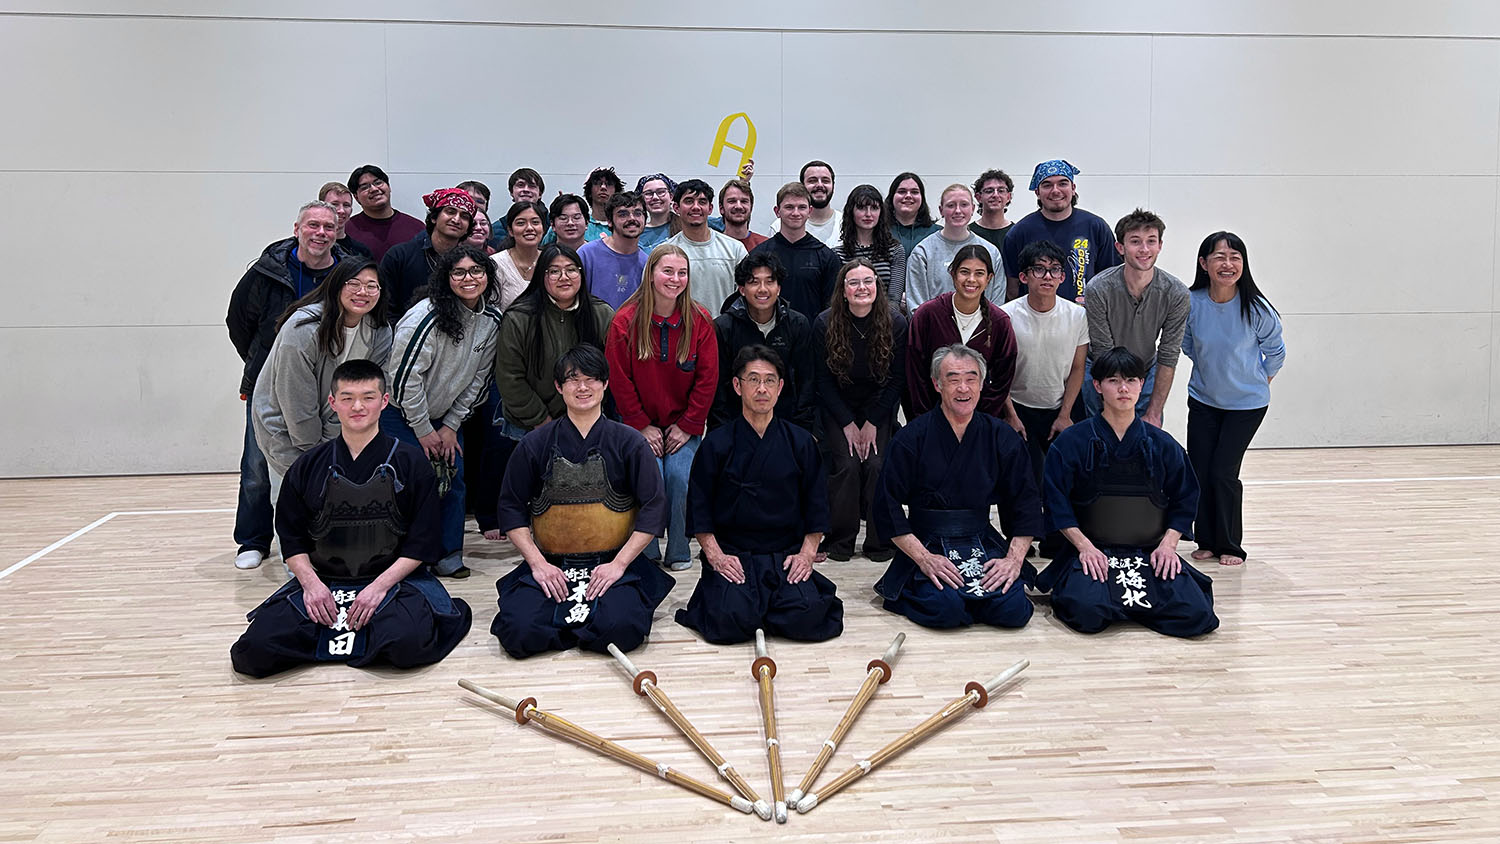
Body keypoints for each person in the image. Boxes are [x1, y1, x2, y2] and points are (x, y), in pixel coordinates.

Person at [230, 359, 472, 677]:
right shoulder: (307, 465)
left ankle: (351, 634)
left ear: (384, 402)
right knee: (252, 653)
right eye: (347, 398)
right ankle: (356, 637)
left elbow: (422, 542)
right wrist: (311, 586)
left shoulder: (412, 462)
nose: (358, 406)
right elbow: (291, 537)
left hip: (394, 583)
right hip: (326, 583)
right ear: (333, 403)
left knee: (408, 645)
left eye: (368, 397)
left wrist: (378, 588)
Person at [490, 345, 675, 658]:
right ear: (559, 387)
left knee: (621, 628)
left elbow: (654, 507)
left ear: (605, 384)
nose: (583, 387)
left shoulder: (629, 442)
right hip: (552, 563)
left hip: (613, 562)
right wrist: (537, 564)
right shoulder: (534, 444)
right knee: (519, 631)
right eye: (573, 380)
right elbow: (510, 508)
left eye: (591, 379)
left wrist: (619, 565)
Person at [1036, 347, 1219, 637]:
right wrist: (1084, 547)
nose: (1124, 388)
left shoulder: (1162, 444)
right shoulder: (1072, 442)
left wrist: (1168, 545)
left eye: (1132, 380)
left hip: (1149, 551)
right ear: (1097, 386)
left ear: (1142, 384)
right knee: (1086, 613)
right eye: (1113, 381)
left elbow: (1185, 497)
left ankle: (1127, 605)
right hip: (1094, 550)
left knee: (1196, 615)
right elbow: (1056, 502)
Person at [677, 346, 843, 644]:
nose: (762, 389)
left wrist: (806, 555)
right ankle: (756, 606)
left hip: (785, 555)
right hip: (735, 554)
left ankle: (766, 606)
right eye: (753, 380)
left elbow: (817, 505)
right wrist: (717, 557)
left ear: (780, 387)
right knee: (728, 620)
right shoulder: (716, 444)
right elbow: (699, 511)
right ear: (738, 386)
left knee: (808, 615)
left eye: (769, 380)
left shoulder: (801, 442)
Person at [872, 344, 1041, 629]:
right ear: (937, 384)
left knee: (1015, 611)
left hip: (980, 539)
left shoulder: (1000, 436)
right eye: (953, 379)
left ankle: (974, 602)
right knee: (945, 611)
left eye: (971, 379)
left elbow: (1025, 501)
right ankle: (950, 598)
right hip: (928, 541)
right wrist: (924, 559)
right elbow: (886, 506)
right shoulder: (912, 437)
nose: (963, 388)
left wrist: (1012, 561)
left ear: (982, 384)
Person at [226, 200, 352, 570]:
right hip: (266, 384)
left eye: (328, 227)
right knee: (256, 467)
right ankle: (252, 539)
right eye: (313, 226)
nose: (321, 234)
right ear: (297, 229)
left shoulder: (345, 273)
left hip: (323, 386)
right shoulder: (268, 272)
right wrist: (264, 363)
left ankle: (305, 541)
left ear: (337, 232)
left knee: (320, 463)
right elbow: (239, 322)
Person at [382, 244, 502, 578]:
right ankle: (407, 557)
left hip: (448, 417)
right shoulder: (425, 317)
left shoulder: (491, 319)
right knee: (411, 481)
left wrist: (451, 424)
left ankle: (449, 553)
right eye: (459, 272)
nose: (469, 278)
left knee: (453, 478)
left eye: (477, 271)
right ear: (446, 278)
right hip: (402, 412)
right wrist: (422, 429)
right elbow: (404, 379)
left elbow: (480, 377)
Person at [605, 244, 719, 572]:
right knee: (651, 476)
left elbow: (707, 379)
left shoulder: (699, 319)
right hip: (637, 426)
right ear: (651, 274)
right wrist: (640, 425)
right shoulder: (625, 321)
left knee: (680, 478)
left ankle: (680, 547)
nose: (675, 279)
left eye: (682, 273)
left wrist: (688, 424)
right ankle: (648, 546)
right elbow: (619, 379)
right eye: (668, 271)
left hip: (684, 425)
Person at [252, 257, 393, 514]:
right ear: (337, 285)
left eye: (372, 286)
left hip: (338, 431)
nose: (363, 292)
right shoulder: (303, 329)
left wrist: (337, 443)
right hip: (285, 427)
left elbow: (368, 391)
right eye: (354, 284)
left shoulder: (379, 331)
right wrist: (320, 455)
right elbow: (295, 402)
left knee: (336, 511)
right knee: (294, 505)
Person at [1181, 232, 1286, 567]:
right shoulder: (1192, 301)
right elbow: (1186, 343)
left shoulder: (1256, 307)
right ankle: (1207, 539)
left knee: (1224, 472)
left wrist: (1254, 381)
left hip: (1246, 406)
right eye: (1219, 257)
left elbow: (1276, 353)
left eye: (1235, 257)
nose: (1228, 264)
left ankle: (1230, 544)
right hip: (1204, 401)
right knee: (1200, 469)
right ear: (1204, 264)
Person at [814, 259, 908, 562]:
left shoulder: (896, 323)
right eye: (853, 282)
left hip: (878, 408)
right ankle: (841, 540)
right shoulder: (825, 323)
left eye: (868, 281)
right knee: (848, 465)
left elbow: (896, 380)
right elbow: (822, 381)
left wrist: (872, 423)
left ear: (877, 288)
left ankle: (880, 542)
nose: (861, 288)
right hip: (837, 408)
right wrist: (847, 423)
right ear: (843, 291)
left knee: (878, 465)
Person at [1000, 241, 1089, 555]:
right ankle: (1017, 540)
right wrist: (1010, 414)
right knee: (1020, 479)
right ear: (1024, 277)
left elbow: (1078, 367)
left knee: (1059, 478)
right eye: (1039, 269)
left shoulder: (1076, 315)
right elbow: (999, 370)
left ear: (1063, 277)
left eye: (1054, 270)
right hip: (1016, 407)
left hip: (1059, 408)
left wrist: (1065, 414)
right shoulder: (1007, 315)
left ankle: (1056, 539)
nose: (1047, 276)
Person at [493, 244, 615, 438]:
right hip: (530, 425)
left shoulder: (601, 313)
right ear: (542, 276)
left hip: (589, 422)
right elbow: (510, 377)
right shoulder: (519, 318)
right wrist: (541, 420)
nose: (564, 277)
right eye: (554, 271)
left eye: (571, 270)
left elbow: (614, 371)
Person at [1081, 209, 1189, 425]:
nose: (1144, 249)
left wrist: (1154, 412)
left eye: (1151, 241)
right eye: (1135, 242)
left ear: (1160, 245)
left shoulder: (1176, 293)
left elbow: (1168, 354)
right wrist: (1117, 403)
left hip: (1146, 369)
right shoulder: (1098, 288)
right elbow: (1104, 350)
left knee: (1146, 436)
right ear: (1120, 247)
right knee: (1103, 435)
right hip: (1102, 368)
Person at [904, 245, 1017, 420]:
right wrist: (926, 420)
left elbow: (1002, 381)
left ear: (989, 278)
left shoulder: (1000, 322)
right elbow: (915, 373)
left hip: (980, 421)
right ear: (953, 274)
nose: (971, 279)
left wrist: (980, 421)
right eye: (964, 272)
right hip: (930, 418)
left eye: (979, 273)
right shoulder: (927, 315)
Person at [710, 252, 816, 431]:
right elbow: (718, 389)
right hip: (736, 424)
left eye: (769, 281)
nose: (762, 289)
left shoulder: (798, 324)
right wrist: (725, 434)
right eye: (754, 282)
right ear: (741, 289)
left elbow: (806, 382)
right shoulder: (723, 327)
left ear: (779, 288)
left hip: (787, 423)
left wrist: (802, 431)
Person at [1001, 159, 1119, 302]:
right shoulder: (1019, 233)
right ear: (1037, 192)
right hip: (1034, 319)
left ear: (1073, 188)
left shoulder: (1096, 227)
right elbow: (1012, 289)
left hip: (1085, 318)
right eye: (1047, 185)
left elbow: (1112, 280)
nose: (1056, 191)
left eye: (1062, 183)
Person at [378, 187, 477, 323]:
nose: (456, 219)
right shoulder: (399, 255)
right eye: (450, 212)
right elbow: (385, 308)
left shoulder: (471, 263)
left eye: (464, 216)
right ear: (434, 218)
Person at [750, 182, 842, 322]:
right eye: (789, 207)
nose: (796, 213)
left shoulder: (826, 257)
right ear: (777, 211)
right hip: (768, 337)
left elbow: (832, 308)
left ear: (809, 211)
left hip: (812, 339)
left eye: (802, 207)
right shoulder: (759, 255)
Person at [905, 184, 1004, 312]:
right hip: (934, 329)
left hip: (980, 330)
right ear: (941, 210)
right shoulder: (923, 252)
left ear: (973, 208)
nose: (958, 211)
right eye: (951, 205)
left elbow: (996, 306)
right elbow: (916, 308)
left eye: (964, 205)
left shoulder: (991, 253)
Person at [664, 179, 747, 312]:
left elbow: (746, 297)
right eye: (689, 201)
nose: (696, 207)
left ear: (710, 209)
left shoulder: (735, 250)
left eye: (702, 202)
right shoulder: (665, 253)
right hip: (681, 331)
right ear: (676, 208)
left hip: (724, 331)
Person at [835, 184, 907, 308]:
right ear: (851, 212)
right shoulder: (838, 254)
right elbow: (838, 298)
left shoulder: (895, 250)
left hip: (886, 319)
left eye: (874, 208)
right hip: (849, 320)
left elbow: (894, 300)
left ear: (881, 212)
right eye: (862, 208)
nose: (868, 214)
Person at [579, 191, 649, 309]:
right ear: (610, 221)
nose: (632, 218)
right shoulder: (587, 254)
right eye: (623, 214)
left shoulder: (647, 262)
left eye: (638, 213)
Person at [345, 165, 425, 263]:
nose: (374, 189)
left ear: (389, 187)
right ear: (356, 197)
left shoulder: (417, 227)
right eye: (365, 187)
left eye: (378, 183)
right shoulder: (347, 230)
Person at [490, 200, 549, 310]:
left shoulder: (551, 261)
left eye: (535, 222)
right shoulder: (495, 264)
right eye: (521, 223)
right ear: (510, 231)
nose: (530, 228)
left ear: (543, 228)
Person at [771, 160, 838, 244]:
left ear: (833, 185)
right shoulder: (778, 226)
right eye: (812, 181)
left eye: (825, 181)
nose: (820, 185)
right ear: (802, 186)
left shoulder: (845, 223)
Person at [885, 172, 940, 257]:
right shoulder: (880, 231)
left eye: (914, 192)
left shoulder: (936, 233)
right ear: (892, 197)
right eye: (902, 191)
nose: (908, 196)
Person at [318, 181, 372, 258]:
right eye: (335, 204)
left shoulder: (361, 252)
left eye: (346, 205)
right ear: (320, 207)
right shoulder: (309, 245)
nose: (341, 211)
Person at [492, 168, 545, 239]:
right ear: (511, 192)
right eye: (520, 185)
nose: (526, 189)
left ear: (540, 194)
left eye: (532, 186)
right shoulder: (496, 229)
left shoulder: (554, 224)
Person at [969, 169, 1015, 253]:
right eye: (989, 191)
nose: (995, 195)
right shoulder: (968, 233)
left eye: (1001, 191)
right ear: (978, 197)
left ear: (1008, 197)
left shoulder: (1017, 233)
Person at [717, 177, 768, 251]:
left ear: (751, 207)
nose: (738, 206)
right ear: (721, 208)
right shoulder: (713, 247)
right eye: (732, 201)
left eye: (744, 201)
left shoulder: (765, 245)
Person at [635, 173, 678, 251]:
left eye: (661, 192)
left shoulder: (686, 226)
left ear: (671, 197)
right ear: (642, 200)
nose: (655, 197)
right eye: (648, 193)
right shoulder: (636, 232)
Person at [583, 165, 624, 230]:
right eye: (597, 183)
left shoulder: (624, 226)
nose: (603, 187)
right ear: (589, 191)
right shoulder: (581, 225)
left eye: (609, 184)